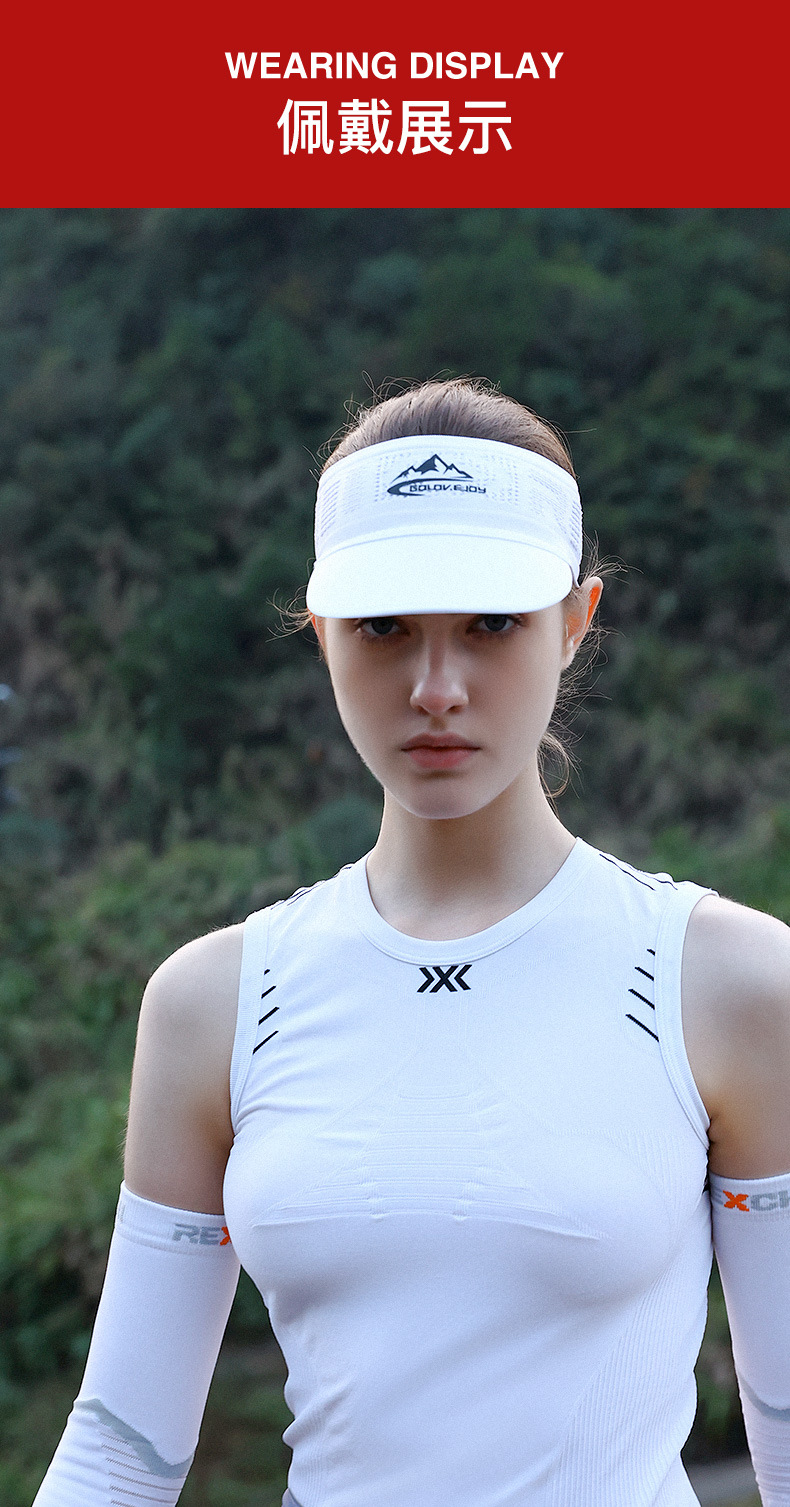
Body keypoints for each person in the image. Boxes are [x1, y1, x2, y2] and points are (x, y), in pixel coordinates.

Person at [33, 378, 790, 1507]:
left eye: (492, 623)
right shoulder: (216, 1001)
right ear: (322, 632)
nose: (437, 689)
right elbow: (119, 1454)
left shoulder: (729, 983)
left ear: (575, 621)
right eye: (385, 627)